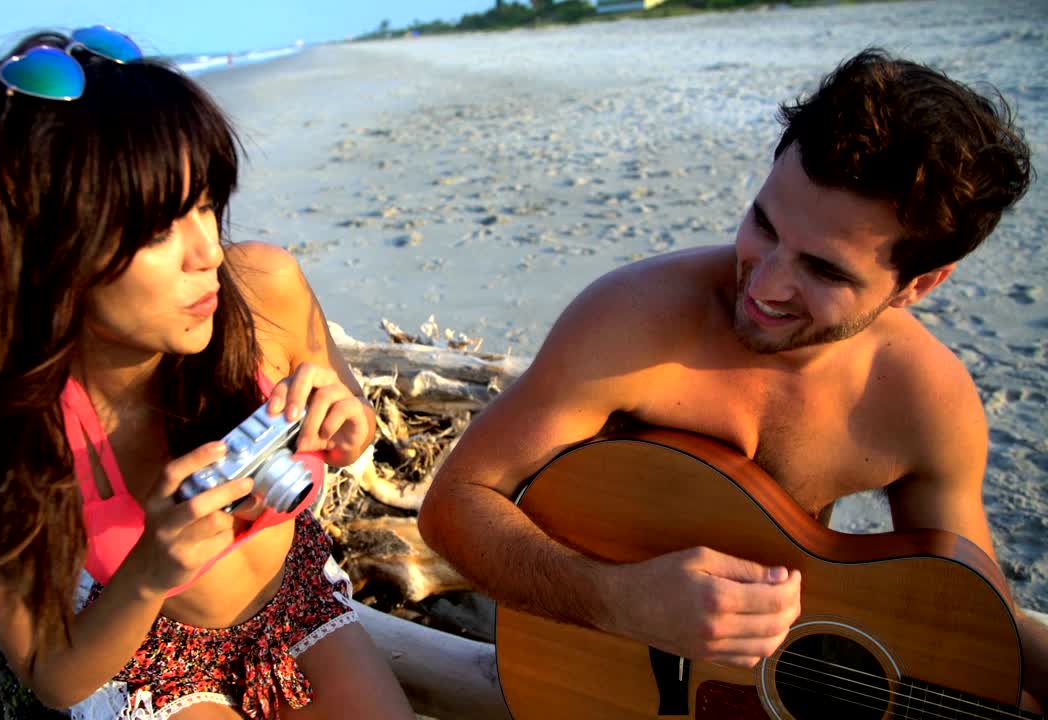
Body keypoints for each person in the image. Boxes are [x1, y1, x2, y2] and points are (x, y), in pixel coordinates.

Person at [418, 48, 1046, 704]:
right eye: (764, 224)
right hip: (594, 662)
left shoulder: (925, 403)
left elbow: (983, 623)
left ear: (918, 284)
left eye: (824, 271)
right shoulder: (633, 321)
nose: (765, 283)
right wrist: (619, 602)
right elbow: (454, 504)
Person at [0, 27, 415, 720]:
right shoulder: (7, 431)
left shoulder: (267, 290)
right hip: (145, 655)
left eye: (206, 203)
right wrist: (150, 572)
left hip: (295, 600)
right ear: (46, 253)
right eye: (157, 228)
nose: (207, 251)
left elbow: (347, 413)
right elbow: (53, 674)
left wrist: (347, 432)